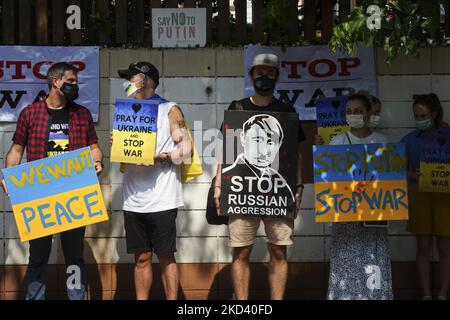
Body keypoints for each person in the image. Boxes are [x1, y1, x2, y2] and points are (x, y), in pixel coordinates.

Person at [1, 62, 104, 300]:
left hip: (73, 194)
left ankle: (76, 297)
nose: (75, 86)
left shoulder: (82, 114)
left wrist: (97, 162)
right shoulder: (30, 113)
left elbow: (93, 147)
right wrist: (9, 176)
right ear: (55, 82)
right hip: (39, 196)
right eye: (71, 81)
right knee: (38, 255)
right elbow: (16, 150)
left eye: (76, 82)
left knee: (74, 256)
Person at [214, 53, 306, 300]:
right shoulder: (237, 108)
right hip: (240, 192)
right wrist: (218, 185)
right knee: (241, 252)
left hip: (278, 195)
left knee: (278, 251)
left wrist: (298, 188)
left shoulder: (287, 112)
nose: (264, 77)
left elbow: (295, 155)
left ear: (277, 76)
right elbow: (227, 151)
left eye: (269, 72)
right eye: (259, 72)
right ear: (252, 75)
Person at [116, 62, 192, 300]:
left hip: (162, 198)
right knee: (141, 258)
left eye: (131, 78)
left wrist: (163, 157)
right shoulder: (127, 109)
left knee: (166, 256)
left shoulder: (170, 109)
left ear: (145, 80)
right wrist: (117, 143)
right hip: (133, 199)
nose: (127, 84)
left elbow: (186, 148)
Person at [326, 93, 393, 300]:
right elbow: (327, 178)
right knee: (345, 259)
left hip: (374, 215)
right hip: (346, 214)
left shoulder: (382, 141)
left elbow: (389, 178)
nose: (353, 115)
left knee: (373, 258)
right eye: (349, 111)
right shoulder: (337, 141)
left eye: (358, 111)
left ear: (367, 113)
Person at [401, 93, 450, 300]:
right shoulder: (408, 140)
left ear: (434, 114)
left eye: (423, 115)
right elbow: (396, 171)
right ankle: (426, 295)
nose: (420, 120)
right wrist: (410, 174)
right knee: (423, 245)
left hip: (445, 196)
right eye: (416, 116)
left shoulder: (448, 136)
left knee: (445, 246)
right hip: (419, 194)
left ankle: (443, 294)